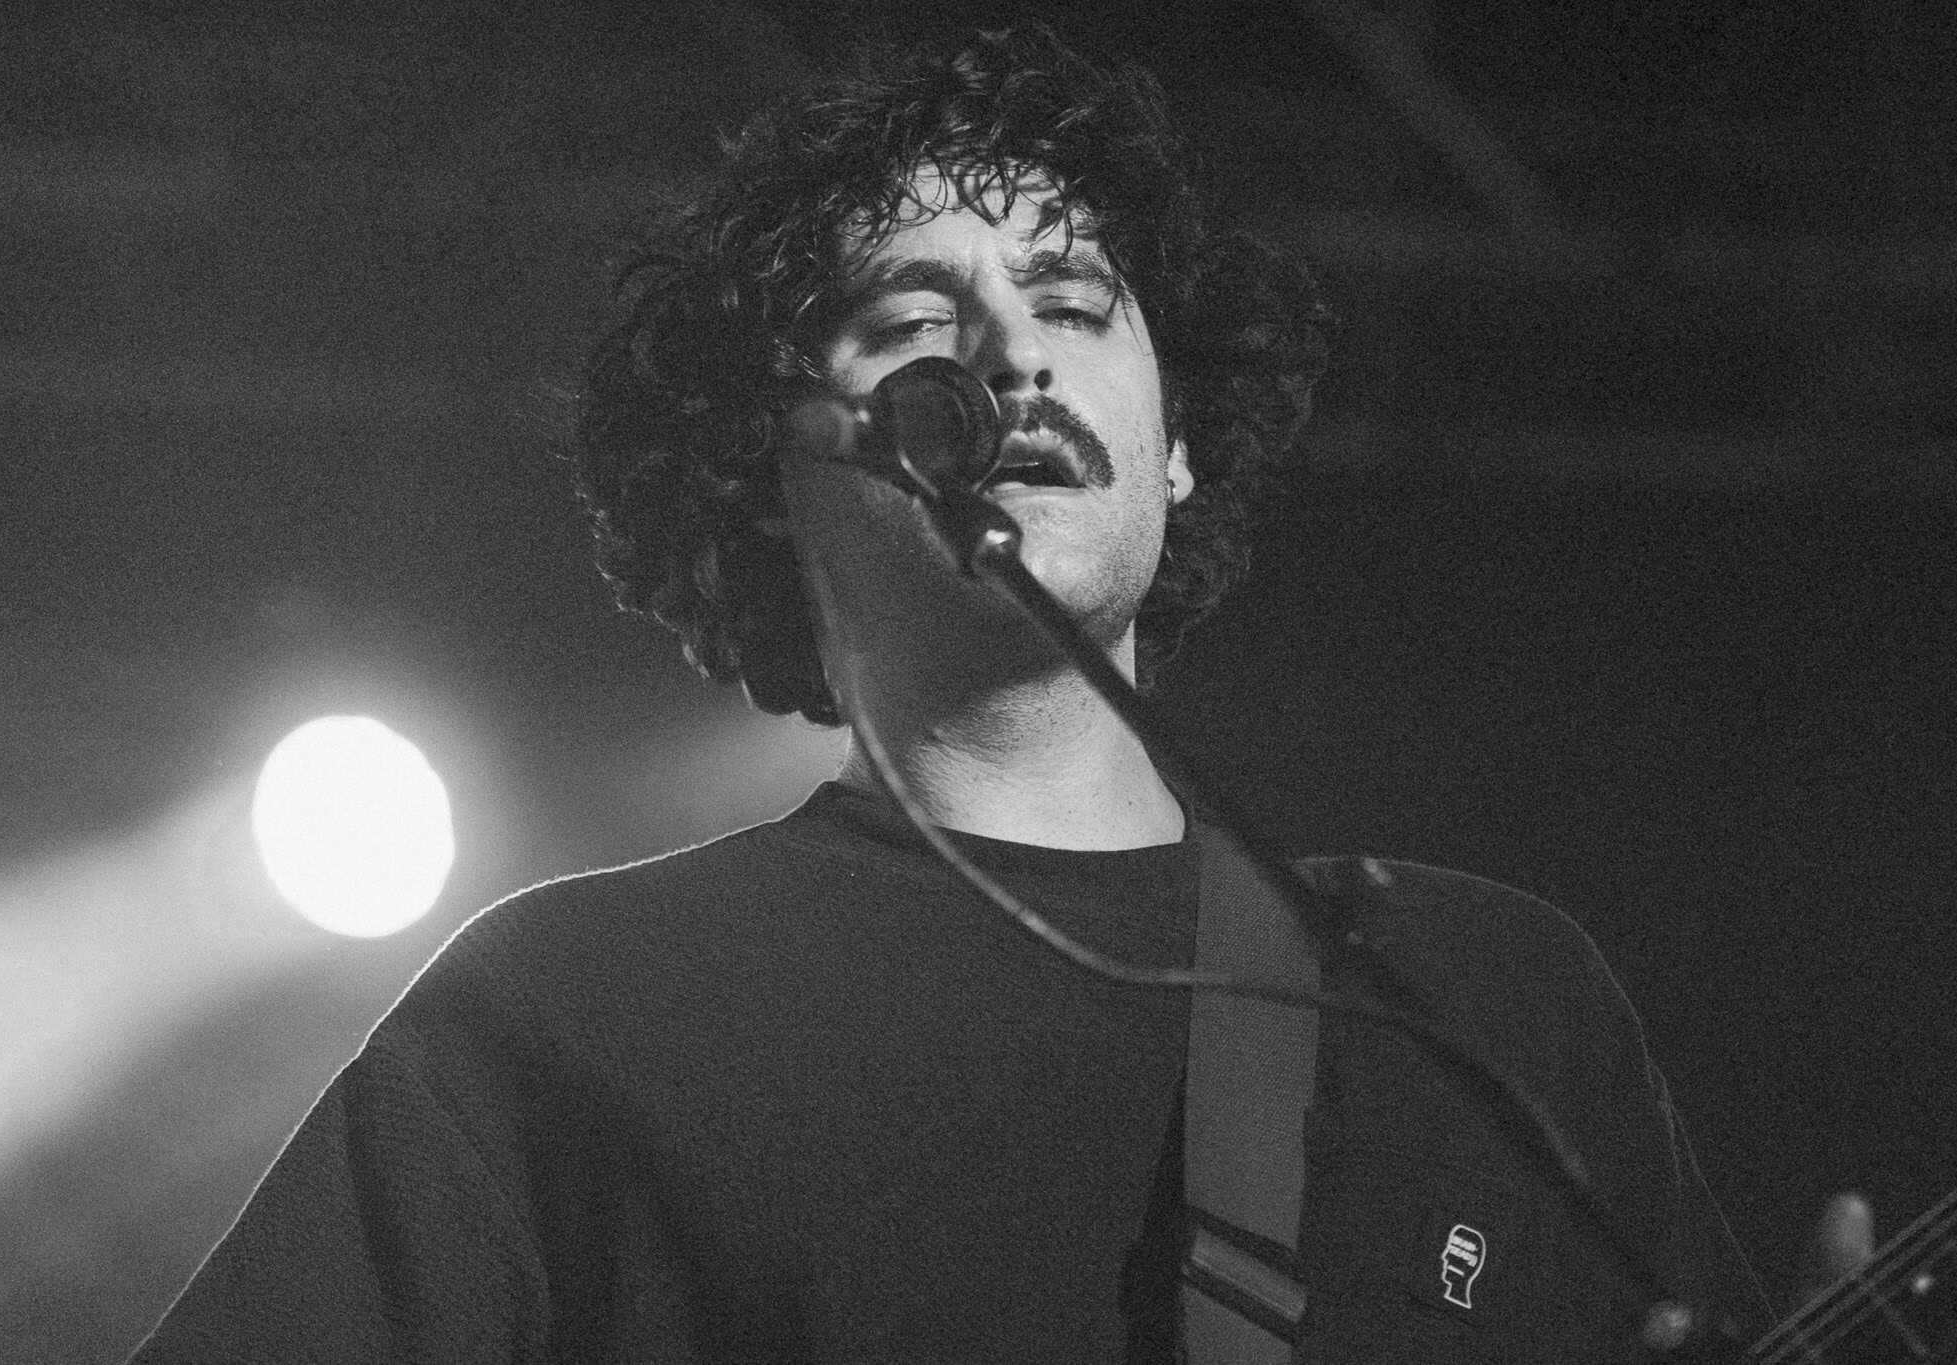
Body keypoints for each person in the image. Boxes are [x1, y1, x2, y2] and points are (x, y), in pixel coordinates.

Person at [134, 25, 1784, 1362]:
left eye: (1074, 303)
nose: (1018, 358)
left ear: (1177, 441)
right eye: (915, 320)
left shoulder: (1478, 999)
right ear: (768, 470)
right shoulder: (564, 1014)